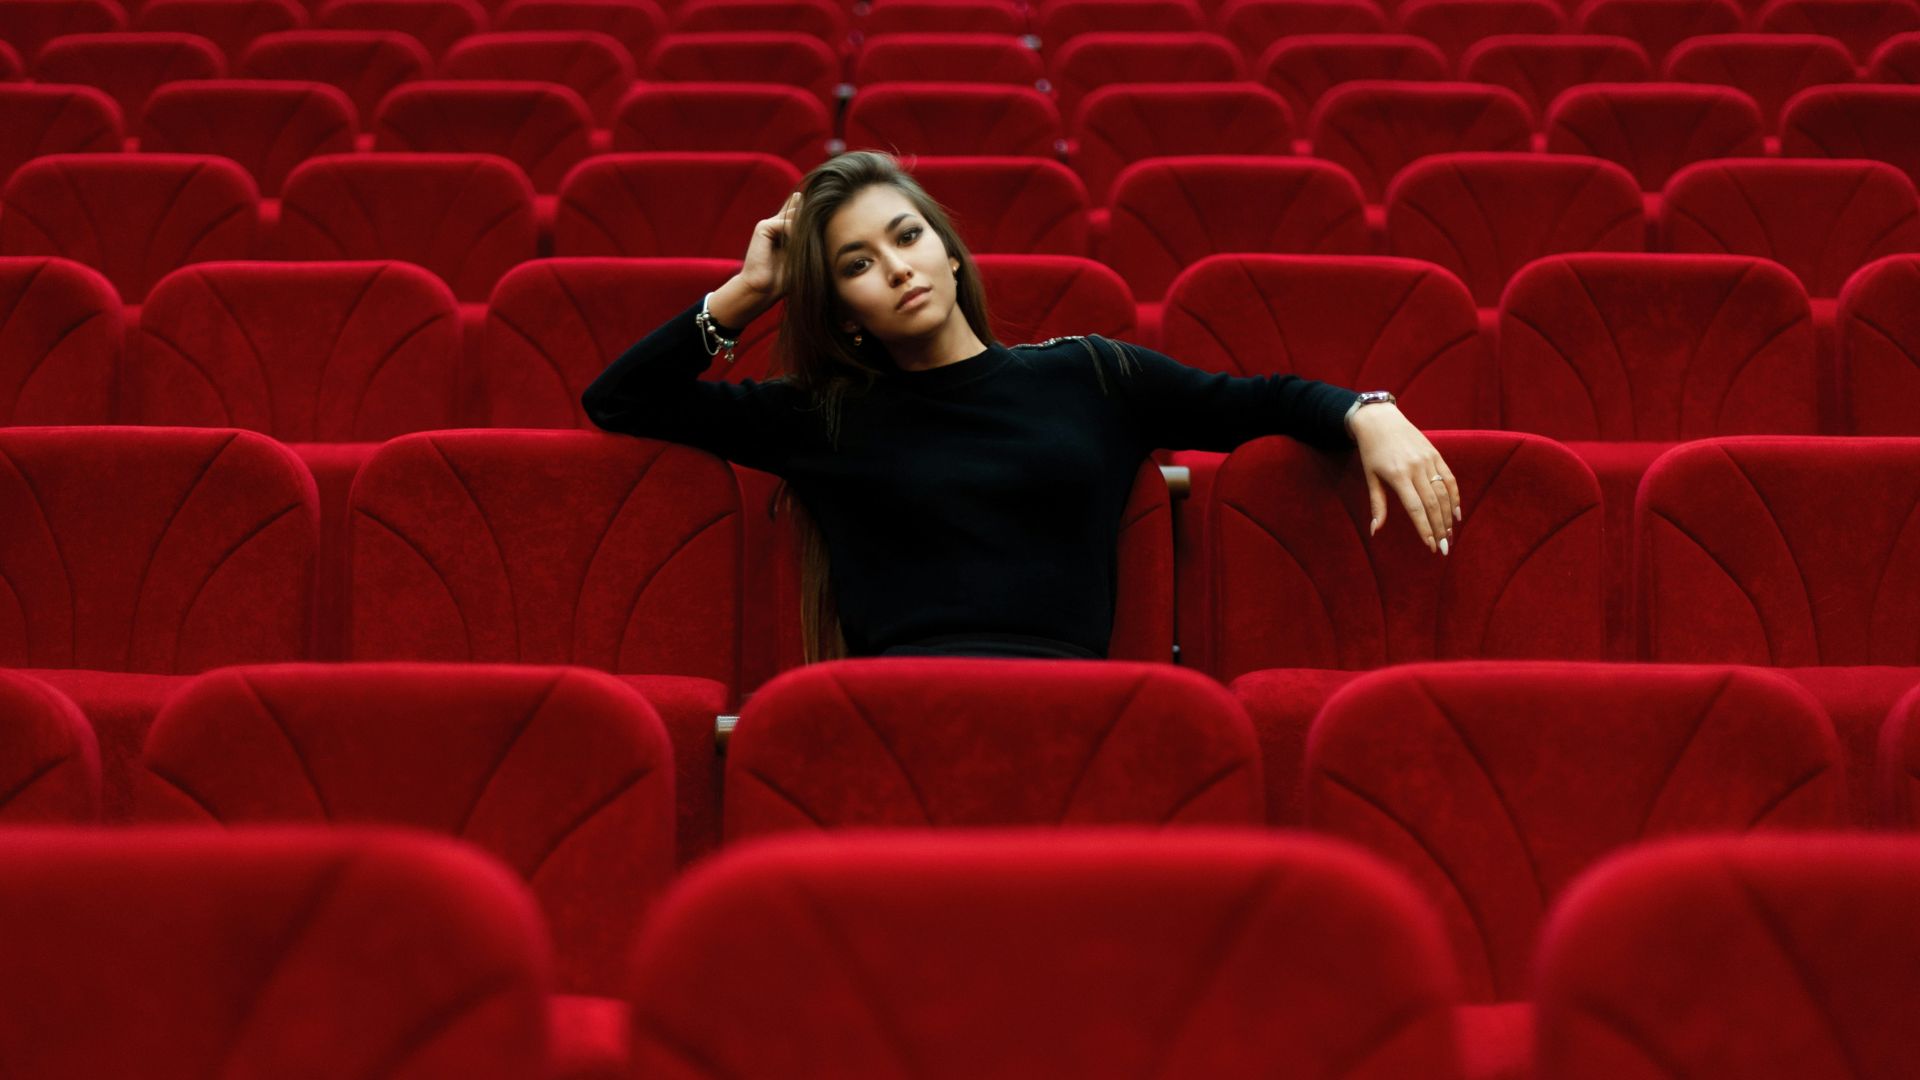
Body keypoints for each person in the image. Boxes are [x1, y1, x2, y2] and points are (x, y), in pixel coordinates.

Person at [582, 151, 1461, 663]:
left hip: (1075, 715)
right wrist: (748, 289)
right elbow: (620, 400)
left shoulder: (1092, 375)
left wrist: (1368, 412)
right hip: (892, 719)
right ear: (844, 313)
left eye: (907, 236)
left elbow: (1256, 400)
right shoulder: (821, 415)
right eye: (855, 266)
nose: (894, 268)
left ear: (950, 254)